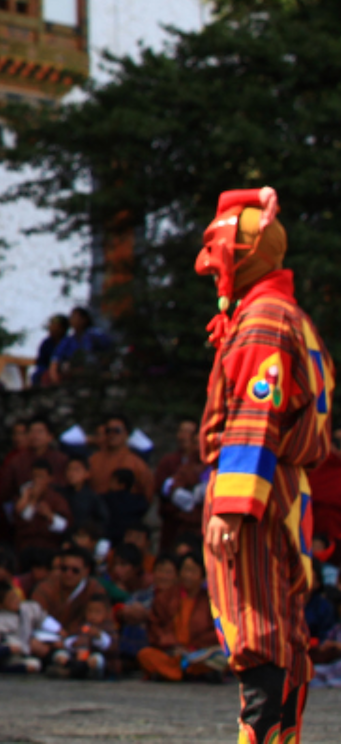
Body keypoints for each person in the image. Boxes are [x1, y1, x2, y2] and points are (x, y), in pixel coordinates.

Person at [195, 188, 335, 741]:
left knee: (259, 629)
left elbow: (256, 415)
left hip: (256, 493)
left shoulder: (263, 321)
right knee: (276, 627)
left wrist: (231, 507)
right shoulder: (283, 315)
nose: (211, 269)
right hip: (279, 488)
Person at [137, 552, 227, 681]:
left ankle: (174, 672)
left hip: (199, 652)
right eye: (185, 570)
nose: (188, 576)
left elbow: (217, 630)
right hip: (172, 652)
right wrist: (174, 645)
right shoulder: (165, 598)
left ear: (202, 576)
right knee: (145, 654)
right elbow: (155, 627)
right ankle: (186, 672)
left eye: (193, 571)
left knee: (223, 657)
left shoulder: (211, 601)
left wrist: (194, 646)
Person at [156, 418, 208, 558]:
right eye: (196, 443)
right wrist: (177, 491)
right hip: (186, 526)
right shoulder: (188, 465)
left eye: (202, 443)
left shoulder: (218, 464)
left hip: (209, 526)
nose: (199, 448)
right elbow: (175, 482)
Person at [32, 548, 109, 631]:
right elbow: (36, 617)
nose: (68, 574)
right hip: (47, 636)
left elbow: (107, 625)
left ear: (87, 570)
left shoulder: (95, 590)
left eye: (75, 570)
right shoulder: (46, 586)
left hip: (83, 638)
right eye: (64, 569)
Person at [89, 413, 155, 497]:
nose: (112, 434)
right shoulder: (93, 460)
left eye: (117, 431)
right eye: (108, 431)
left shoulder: (137, 464)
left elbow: (148, 493)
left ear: (126, 433)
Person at [58, 456, 109, 543]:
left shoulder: (93, 497)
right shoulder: (60, 494)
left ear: (87, 474)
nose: (71, 473)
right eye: (69, 469)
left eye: (76, 470)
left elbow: (102, 521)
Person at [31, 314, 68, 387]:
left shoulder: (68, 342)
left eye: (56, 326)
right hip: (46, 370)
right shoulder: (46, 343)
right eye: (51, 326)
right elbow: (41, 362)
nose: (52, 328)